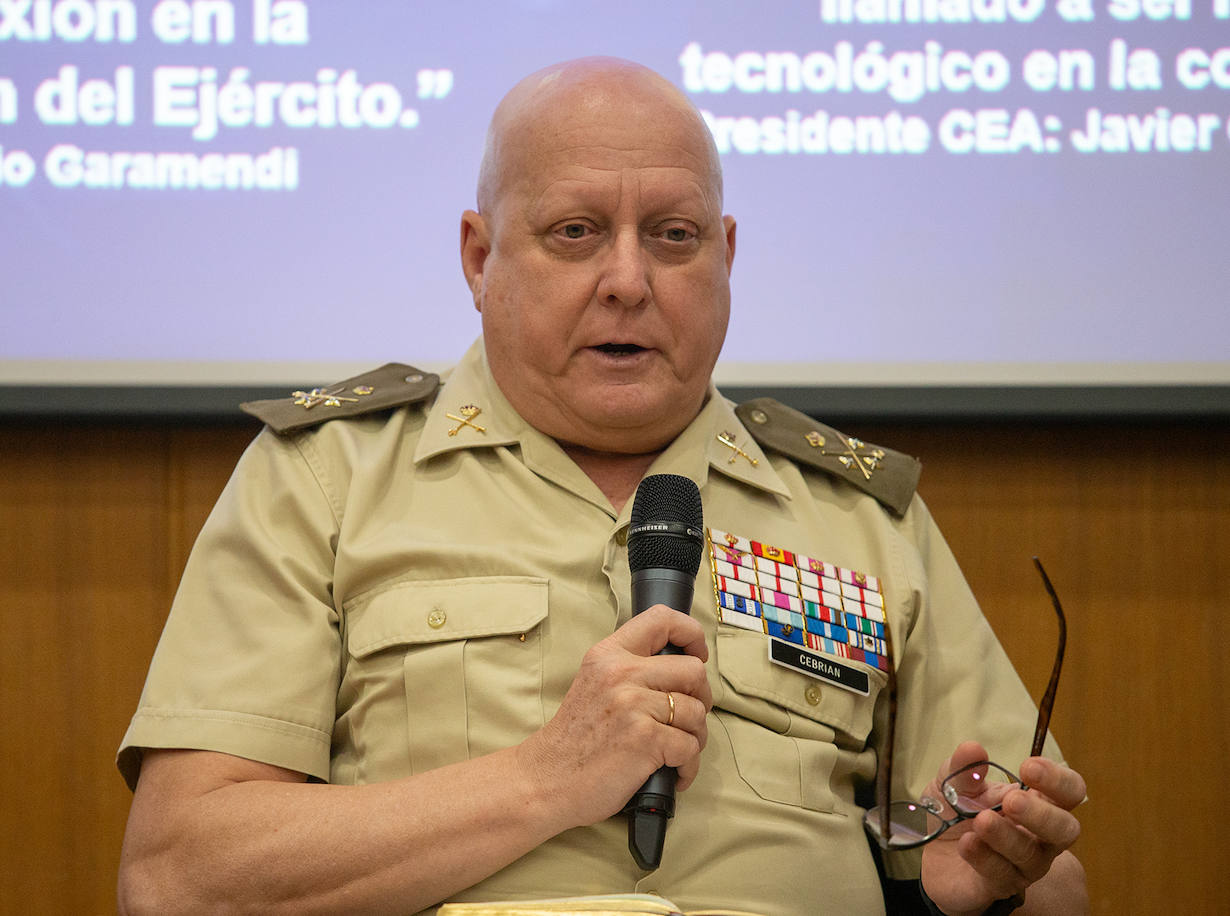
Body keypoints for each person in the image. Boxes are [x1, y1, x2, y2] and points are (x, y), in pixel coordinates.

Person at [116, 58, 1087, 915]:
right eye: (576, 232)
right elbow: (180, 878)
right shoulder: (325, 482)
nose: (629, 278)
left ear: (726, 255)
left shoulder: (859, 517)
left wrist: (984, 891)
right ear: (479, 256)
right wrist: (544, 778)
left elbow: (1045, 879)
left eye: (672, 236)